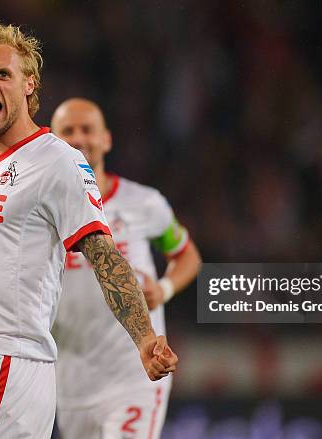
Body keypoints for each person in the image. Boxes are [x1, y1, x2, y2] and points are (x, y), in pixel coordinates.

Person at [0, 19, 177, 439]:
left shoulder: (57, 160)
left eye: (2, 74)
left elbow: (104, 255)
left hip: (8, 368)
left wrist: (144, 338)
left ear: (29, 85)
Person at [51, 98, 201, 439]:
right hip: (70, 383)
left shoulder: (143, 203)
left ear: (106, 139)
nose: (78, 138)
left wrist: (163, 289)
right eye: (68, 131)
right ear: (53, 143)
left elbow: (187, 255)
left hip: (134, 374)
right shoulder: (44, 214)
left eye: (87, 129)